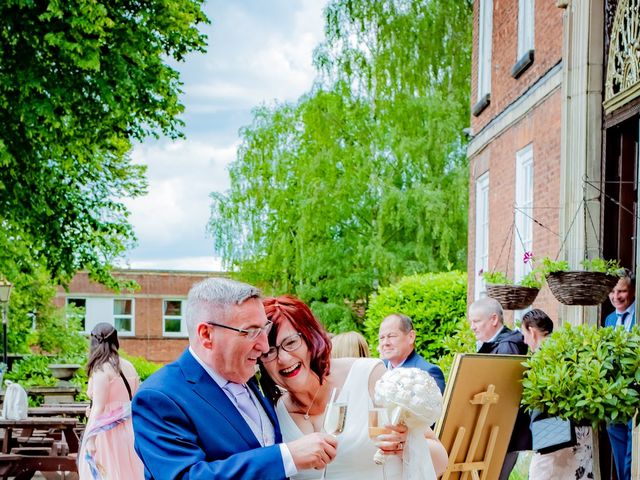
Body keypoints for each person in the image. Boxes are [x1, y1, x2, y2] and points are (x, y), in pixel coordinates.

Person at [131, 278, 338, 480]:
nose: (264, 346)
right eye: (251, 332)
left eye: (263, 329)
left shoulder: (247, 374)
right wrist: (287, 457)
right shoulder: (159, 397)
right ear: (206, 335)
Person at [259, 295, 448, 480]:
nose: (283, 358)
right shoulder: (273, 411)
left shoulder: (368, 376)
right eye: (269, 352)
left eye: (291, 342)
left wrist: (408, 445)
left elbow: (441, 461)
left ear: (310, 338)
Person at [521, 309, 593, 480]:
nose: (524, 341)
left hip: (554, 431)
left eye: (524, 334)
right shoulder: (571, 351)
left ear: (532, 331)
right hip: (583, 429)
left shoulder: (542, 357)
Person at [468, 297, 531, 480]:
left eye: (476, 321)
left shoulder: (507, 346)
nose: (472, 327)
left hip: (503, 432)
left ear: (494, 319)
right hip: (498, 432)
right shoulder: (499, 344)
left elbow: (505, 392)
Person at [78, 322, 144, 480]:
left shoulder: (101, 369)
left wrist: (90, 440)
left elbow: (98, 408)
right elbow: (132, 401)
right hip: (130, 430)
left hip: (106, 433)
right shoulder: (129, 366)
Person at [604, 272, 636, 480]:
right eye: (612, 291)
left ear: (633, 290)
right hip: (614, 397)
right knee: (618, 449)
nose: (616, 296)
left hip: (635, 394)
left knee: (632, 455)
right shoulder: (609, 319)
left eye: (622, 291)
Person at [376, 313, 446, 394]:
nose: (385, 343)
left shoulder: (427, 372)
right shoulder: (378, 370)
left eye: (391, 336)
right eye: (382, 338)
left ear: (411, 337)